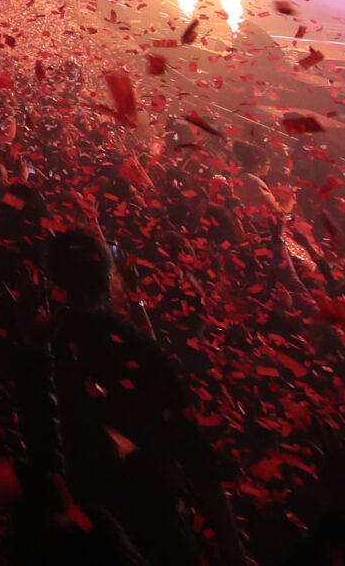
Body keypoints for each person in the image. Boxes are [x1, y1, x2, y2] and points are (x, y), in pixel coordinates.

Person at [45, 228, 250, 566]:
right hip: (155, 522)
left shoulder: (44, 351)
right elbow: (192, 446)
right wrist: (230, 544)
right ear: (107, 278)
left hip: (82, 534)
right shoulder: (135, 346)